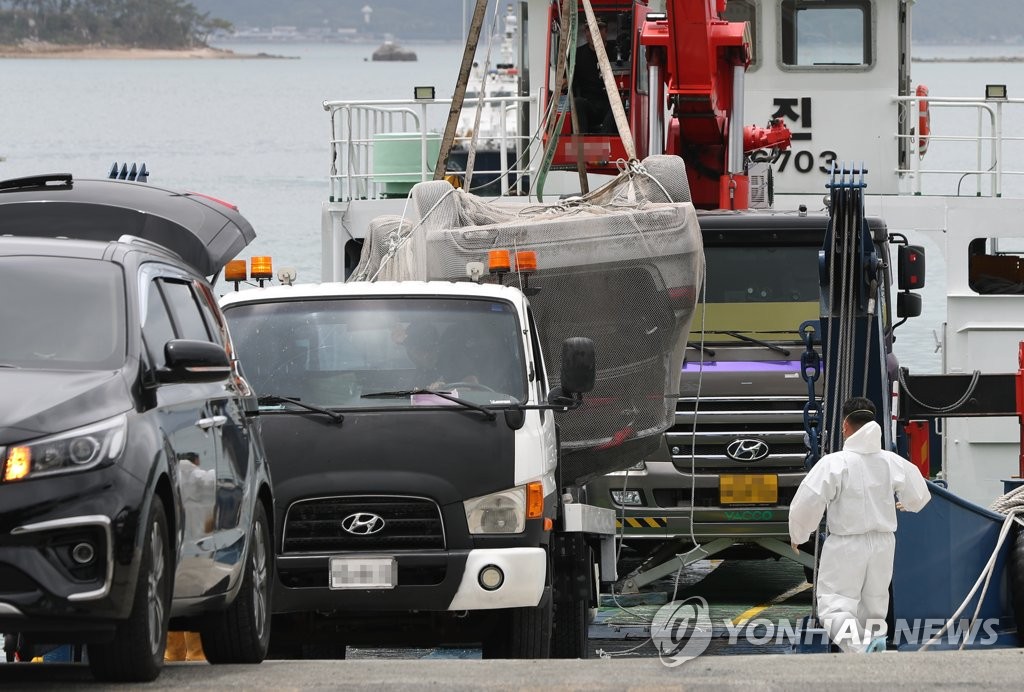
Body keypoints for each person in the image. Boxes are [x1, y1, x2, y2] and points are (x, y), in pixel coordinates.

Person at [789, 396, 931, 654]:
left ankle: (861, 647)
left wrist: (799, 533)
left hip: (846, 544)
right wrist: (907, 504)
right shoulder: (890, 461)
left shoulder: (835, 463)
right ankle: (873, 655)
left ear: (845, 425)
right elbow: (919, 492)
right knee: (874, 605)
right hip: (884, 543)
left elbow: (808, 499)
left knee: (835, 604)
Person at [571, 17, 614, 134]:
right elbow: (567, 81)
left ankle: (606, 143)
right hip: (589, 104)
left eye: (599, 28)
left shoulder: (617, 51)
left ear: (606, 31)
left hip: (611, 103)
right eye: (590, 29)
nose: (594, 32)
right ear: (585, 33)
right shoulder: (576, 55)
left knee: (619, 107)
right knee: (577, 103)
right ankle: (581, 145)